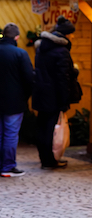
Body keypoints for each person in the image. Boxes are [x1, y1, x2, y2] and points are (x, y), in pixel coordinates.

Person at [33, 16, 76, 170]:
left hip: (40, 93)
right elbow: (62, 78)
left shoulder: (41, 47)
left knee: (42, 127)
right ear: (65, 34)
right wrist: (65, 100)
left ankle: (44, 158)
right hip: (54, 95)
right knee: (50, 128)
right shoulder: (62, 51)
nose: (73, 36)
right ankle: (50, 161)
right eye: (71, 33)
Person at [0, 23, 34, 177]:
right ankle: (7, 166)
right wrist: (26, 96)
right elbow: (29, 79)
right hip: (14, 101)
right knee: (11, 134)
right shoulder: (20, 54)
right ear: (17, 36)